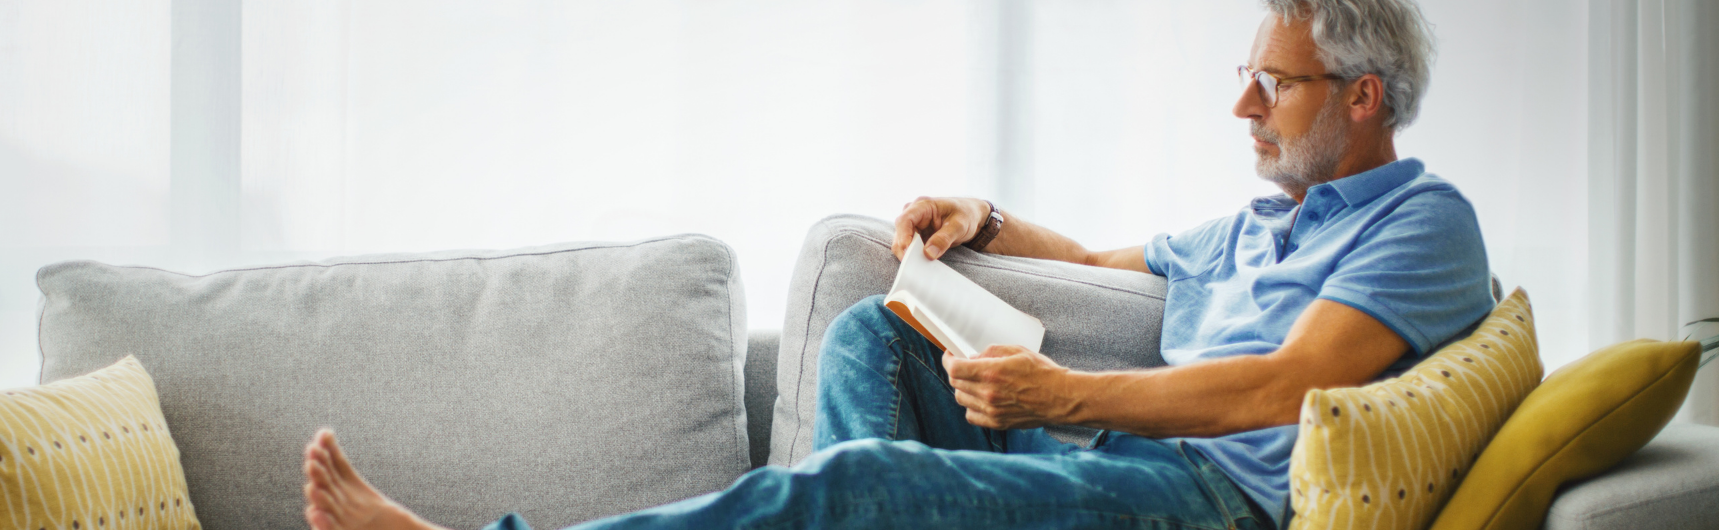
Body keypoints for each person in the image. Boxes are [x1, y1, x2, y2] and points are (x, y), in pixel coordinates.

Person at [298, 0, 1494, 528]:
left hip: (1206, 504)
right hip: (1116, 465)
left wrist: (1067, 394)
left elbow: (1287, 385)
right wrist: (984, 215)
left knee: (857, 488)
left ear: (1365, 95)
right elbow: (1088, 256)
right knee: (877, 331)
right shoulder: (1252, 223)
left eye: (1271, 81)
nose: (1241, 102)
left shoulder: (1422, 224)